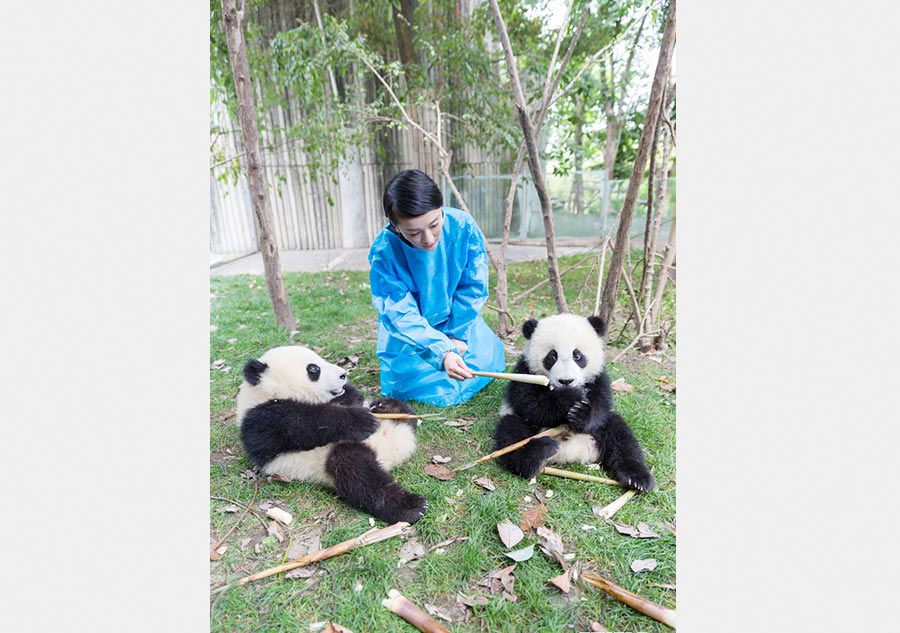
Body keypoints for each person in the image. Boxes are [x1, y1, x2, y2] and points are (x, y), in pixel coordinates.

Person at [368, 169, 507, 407]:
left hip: (457, 320)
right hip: (414, 332)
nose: (429, 238)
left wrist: (457, 334)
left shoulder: (462, 226)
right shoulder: (384, 252)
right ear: (394, 226)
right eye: (414, 232)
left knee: (484, 362)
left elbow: (472, 285)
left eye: (434, 224)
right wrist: (441, 350)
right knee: (408, 385)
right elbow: (400, 313)